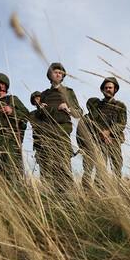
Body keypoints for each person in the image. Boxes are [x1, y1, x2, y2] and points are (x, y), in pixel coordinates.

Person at [35, 62, 83, 190]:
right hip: (47, 133)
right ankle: (49, 197)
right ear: (50, 75)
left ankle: (67, 198)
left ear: (63, 76)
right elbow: (38, 117)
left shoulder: (68, 92)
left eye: (60, 73)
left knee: (63, 165)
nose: (58, 74)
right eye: (55, 72)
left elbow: (79, 112)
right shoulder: (44, 94)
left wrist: (68, 109)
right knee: (47, 166)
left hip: (62, 132)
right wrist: (41, 109)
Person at [78, 77, 126, 189]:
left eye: (110, 87)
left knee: (117, 166)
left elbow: (122, 123)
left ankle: (117, 188)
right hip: (99, 142)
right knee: (101, 167)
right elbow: (92, 123)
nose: (108, 89)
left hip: (114, 141)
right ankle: (99, 191)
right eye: (106, 88)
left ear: (115, 90)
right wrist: (100, 133)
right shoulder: (97, 106)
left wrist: (109, 132)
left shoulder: (120, 105)